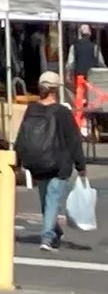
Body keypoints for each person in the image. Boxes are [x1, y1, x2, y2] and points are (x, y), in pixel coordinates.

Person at [23, 73, 89, 253]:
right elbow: (73, 141)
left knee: (46, 200)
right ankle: (47, 237)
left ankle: (54, 231)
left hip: (38, 162)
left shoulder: (31, 110)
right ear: (55, 90)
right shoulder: (62, 112)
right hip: (59, 164)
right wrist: (81, 166)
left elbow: (23, 136)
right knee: (52, 200)